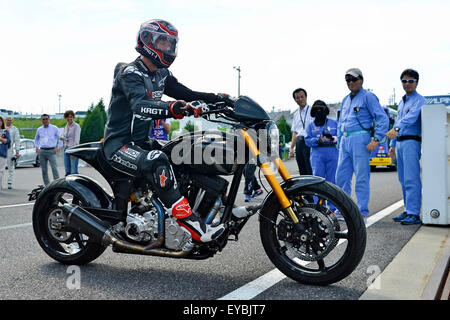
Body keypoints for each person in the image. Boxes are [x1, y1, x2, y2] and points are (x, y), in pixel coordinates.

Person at [103, 19, 234, 243]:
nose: (168, 48)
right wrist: (174, 108)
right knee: (158, 160)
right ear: (147, 41)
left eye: (170, 43)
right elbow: (139, 105)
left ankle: (213, 209)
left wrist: (218, 99)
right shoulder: (130, 73)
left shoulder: (161, 74)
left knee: (184, 154)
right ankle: (192, 225)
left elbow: (187, 93)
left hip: (142, 143)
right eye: (163, 42)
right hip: (119, 145)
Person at [335, 68, 389, 219]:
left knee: (361, 176)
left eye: (354, 79)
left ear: (361, 80)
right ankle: (343, 209)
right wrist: (339, 140)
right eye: (348, 80)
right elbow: (341, 121)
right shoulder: (346, 99)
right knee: (341, 176)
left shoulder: (368, 97)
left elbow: (381, 118)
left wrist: (377, 139)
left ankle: (361, 211)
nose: (351, 82)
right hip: (345, 140)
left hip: (360, 139)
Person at [386, 69, 425, 225]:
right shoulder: (402, 102)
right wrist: (392, 145)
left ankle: (414, 213)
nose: (407, 84)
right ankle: (408, 210)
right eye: (404, 81)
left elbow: (410, 118)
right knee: (403, 178)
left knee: (411, 178)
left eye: (411, 81)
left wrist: (395, 130)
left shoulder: (419, 101)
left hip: (411, 142)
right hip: (400, 142)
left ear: (417, 82)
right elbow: (397, 122)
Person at [305, 100, 339, 211]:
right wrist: (318, 140)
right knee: (317, 181)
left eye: (322, 109)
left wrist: (332, 138)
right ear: (313, 112)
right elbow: (307, 140)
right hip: (317, 154)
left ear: (326, 111)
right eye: (317, 110)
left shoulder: (334, 123)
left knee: (332, 181)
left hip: (332, 153)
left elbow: (340, 137)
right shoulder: (310, 126)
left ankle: (333, 208)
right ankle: (319, 207)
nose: (319, 111)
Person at [290, 88, 313, 176]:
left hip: (309, 141)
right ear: (295, 100)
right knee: (301, 168)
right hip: (299, 143)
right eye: (297, 98)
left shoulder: (312, 111)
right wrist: (292, 148)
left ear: (306, 97)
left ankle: (313, 189)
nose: (300, 99)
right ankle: (305, 189)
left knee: (310, 167)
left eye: (302, 97)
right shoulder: (295, 114)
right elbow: (295, 132)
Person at [34, 114, 62, 186]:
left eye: (46, 119)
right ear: (41, 120)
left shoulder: (54, 128)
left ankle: (57, 184)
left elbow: (61, 138)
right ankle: (47, 185)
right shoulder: (39, 129)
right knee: (44, 170)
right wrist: (36, 146)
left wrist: (58, 147)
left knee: (54, 168)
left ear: (49, 120)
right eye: (43, 119)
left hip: (51, 151)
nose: (45, 120)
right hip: (42, 151)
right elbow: (36, 139)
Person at [60, 110, 81, 175]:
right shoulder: (66, 126)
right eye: (68, 117)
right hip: (66, 149)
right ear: (65, 118)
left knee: (73, 171)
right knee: (67, 171)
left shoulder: (76, 126)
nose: (69, 118)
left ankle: (75, 184)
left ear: (73, 117)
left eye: (71, 117)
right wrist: (63, 139)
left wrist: (73, 152)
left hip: (73, 149)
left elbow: (77, 140)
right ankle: (68, 184)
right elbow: (67, 138)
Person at [5, 116, 21, 189]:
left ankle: (9, 182)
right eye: (8, 120)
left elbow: (17, 140)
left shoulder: (15, 129)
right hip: (1, 149)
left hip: (9, 150)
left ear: (12, 121)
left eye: (10, 120)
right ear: (6, 120)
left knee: (11, 167)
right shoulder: (2, 128)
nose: (9, 121)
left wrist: (17, 151)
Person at [0, 117, 11, 191]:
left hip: (2, 154)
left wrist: (1, 139)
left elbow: (8, 141)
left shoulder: (5, 131)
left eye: (0, 121)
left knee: (1, 171)